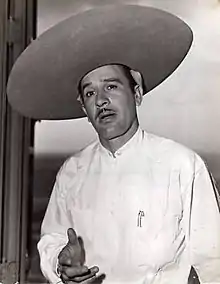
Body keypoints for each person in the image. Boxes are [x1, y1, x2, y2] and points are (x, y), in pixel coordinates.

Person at [5, 4, 220, 284]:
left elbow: (212, 262)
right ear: (84, 107)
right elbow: (52, 240)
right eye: (90, 92)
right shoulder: (72, 172)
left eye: (111, 86)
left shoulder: (183, 165)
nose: (101, 100)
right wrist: (61, 264)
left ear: (137, 92)